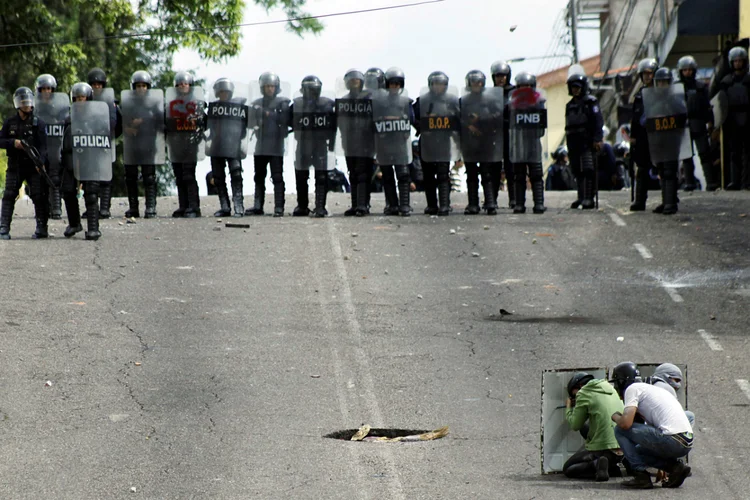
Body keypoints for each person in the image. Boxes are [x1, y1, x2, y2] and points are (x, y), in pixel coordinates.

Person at [610, 362, 693, 489]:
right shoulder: (650, 390)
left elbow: (626, 424)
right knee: (638, 452)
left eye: (616, 383)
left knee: (619, 430)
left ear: (622, 381)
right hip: (685, 442)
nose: (616, 388)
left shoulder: (632, 389)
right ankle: (676, 468)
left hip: (672, 439)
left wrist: (615, 416)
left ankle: (640, 475)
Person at [61, 82, 111, 240]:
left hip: (91, 160)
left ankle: (93, 228)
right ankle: (75, 223)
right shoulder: (68, 119)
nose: (79, 101)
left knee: (91, 194)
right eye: (76, 98)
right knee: (68, 191)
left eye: (82, 98)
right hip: (71, 160)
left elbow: (103, 141)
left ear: (88, 98)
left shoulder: (97, 118)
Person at [0, 87, 49, 239]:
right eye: (24, 102)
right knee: (9, 195)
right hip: (15, 165)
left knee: (38, 196)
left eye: (29, 102)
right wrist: (13, 143)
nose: (27, 105)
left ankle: (42, 228)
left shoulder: (38, 123)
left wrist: (40, 162)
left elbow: (43, 147)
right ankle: (4, 228)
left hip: (33, 166)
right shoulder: (10, 123)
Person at [563, 372, 625, 481]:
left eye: (574, 395)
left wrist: (569, 407)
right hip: (622, 448)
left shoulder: (583, 393)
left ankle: (596, 464)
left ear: (580, 386)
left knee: (568, 469)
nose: (575, 398)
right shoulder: (610, 389)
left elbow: (575, 425)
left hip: (604, 449)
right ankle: (611, 468)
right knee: (585, 428)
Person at [415, 71, 460, 216]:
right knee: (428, 175)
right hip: (427, 141)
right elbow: (412, 117)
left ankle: (445, 205)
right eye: (435, 84)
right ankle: (432, 205)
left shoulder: (452, 101)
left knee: (442, 174)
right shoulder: (422, 101)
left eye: (441, 84)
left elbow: (459, 119)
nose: (438, 87)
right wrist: (422, 126)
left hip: (444, 142)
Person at [290, 75, 336, 217]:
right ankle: (302, 205)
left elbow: (334, 125)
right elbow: (286, 120)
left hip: (320, 144)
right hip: (303, 144)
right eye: (308, 89)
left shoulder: (327, 105)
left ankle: (320, 206)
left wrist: (332, 145)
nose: (311, 92)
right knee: (301, 175)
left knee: (321, 176)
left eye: (313, 89)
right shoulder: (297, 104)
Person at [121, 70, 164, 218]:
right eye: (138, 86)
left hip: (148, 145)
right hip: (131, 145)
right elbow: (120, 123)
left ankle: (150, 206)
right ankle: (133, 207)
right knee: (130, 176)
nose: (141, 89)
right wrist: (128, 127)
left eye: (144, 86)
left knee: (149, 177)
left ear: (148, 87)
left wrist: (145, 120)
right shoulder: (127, 104)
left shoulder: (154, 104)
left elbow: (161, 125)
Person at [247, 72, 291, 217]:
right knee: (259, 176)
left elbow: (285, 121)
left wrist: (268, 113)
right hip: (260, 144)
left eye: (272, 86)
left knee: (277, 177)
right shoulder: (256, 104)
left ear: (276, 87)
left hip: (276, 144)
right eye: (266, 86)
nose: (269, 89)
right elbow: (250, 124)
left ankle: (279, 207)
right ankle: (258, 205)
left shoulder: (283, 103)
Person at [371, 68, 414, 216]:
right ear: (387, 84)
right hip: (384, 143)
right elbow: (373, 120)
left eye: (398, 84)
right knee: (388, 176)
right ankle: (392, 205)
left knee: (403, 174)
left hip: (400, 143)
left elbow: (412, 119)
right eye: (392, 83)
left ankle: (405, 205)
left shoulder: (405, 101)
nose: (395, 86)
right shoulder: (379, 102)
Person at [460, 70, 502, 215]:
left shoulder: (490, 100)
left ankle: (490, 202)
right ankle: (473, 204)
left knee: (487, 174)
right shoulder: (463, 101)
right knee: (471, 175)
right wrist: (468, 125)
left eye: (479, 82)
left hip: (486, 141)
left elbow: (498, 116)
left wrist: (482, 119)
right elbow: (458, 118)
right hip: (469, 142)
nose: (476, 85)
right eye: (473, 82)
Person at [206, 78, 248, 217]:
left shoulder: (238, 107)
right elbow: (208, 127)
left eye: (226, 91)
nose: (224, 94)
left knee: (236, 174)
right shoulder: (213, 108)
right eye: (222, 91)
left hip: (233, 145)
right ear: (218, 93)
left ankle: (238, 205)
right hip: (217, 144)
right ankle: (225, 206)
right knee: (218, 177)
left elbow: (243, 130)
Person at [165, 71, 204, 218]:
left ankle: (194, 206)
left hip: (190, 143)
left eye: (185, 84)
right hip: (176, 143)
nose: (182, 86)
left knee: (188, 175)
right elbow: (165, 122)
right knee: (179, 175)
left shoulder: (197, 104)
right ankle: (183, 205)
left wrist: (197, 139)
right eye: (179, 84)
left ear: (190, 86)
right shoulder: (170, 105)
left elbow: (202, 123)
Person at [336, 69, 374, 217]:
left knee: (364, 174)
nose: (354, 83)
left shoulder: (369, 99)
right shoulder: (343, 101)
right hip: (349, 142)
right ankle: (354, 205)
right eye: (352, 81)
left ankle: (363, 205)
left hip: (366, 141)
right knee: (353, 174)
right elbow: (339, 121)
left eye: (357, 81)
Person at [508, 72, 546, 214]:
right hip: (518, 143)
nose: (524, 89)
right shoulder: (512, 103)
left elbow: (542, 125)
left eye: (527, 86)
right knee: (519, 176)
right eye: (521, 86)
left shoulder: (539, 101)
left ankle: (539, 203)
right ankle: (519, 204)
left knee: (536, 175)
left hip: (534, 143)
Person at [677, 55, 716, 191]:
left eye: (690, 69)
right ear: (680, 71)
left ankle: (711, 182)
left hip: (698, 122)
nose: (688, 72)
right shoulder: (676, 89)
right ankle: (689, 182)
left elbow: (707, 105)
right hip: (683, 125)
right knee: (687, 156)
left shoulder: (700, 87)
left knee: (705, 153)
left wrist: (710, 122)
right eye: (685, 70)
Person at [565, 72, 604, 208]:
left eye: (577, 87)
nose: (575, 89)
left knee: (588, 169)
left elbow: (598, 121)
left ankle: (589, 198)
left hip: (587, 142)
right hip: (573, 142)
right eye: (572, 87)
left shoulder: (590, 102)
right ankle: (581, 197)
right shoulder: (569, 105)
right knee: (577, 170)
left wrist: (597, 139)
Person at [34, 74, 68, 220]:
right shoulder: (34, 107)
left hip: (55, 145)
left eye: (49, 89)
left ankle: (57, 208)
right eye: (43, 89)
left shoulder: (60, 107)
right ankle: (44, 209)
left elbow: (67, 121)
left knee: (54, 177)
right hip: (40, 147)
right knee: (40, 179)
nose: (47, 92)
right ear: (39, 90)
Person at [87, 67, 120, 218]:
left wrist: (104, 133)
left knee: (105, 176)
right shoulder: (85, 99)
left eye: (99, 84)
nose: (97, 87)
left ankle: (105, 208)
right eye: (94, 84)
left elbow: (114, 122)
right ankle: (91, 208)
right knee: (90, 176)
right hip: (88, 142)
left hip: (105, 141)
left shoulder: (110, 102)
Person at [718, 46, 750, 190]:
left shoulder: (748, 79)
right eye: (735, 61)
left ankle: (747, 182)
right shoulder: (726, 81)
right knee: (734, 152)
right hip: (732, 119)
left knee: (748, 152)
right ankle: (734, 181)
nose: (738, 63)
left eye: (740, 60)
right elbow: (721, 103)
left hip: (748, 117)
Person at [630, 59, 658, 210]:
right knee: (641, 168)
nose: (647, 77)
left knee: (663, 167)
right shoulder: (639, 95)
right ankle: (640, 201)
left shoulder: (661, 91)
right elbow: (635, 117)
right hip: (643, 135)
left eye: (650, 73)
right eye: (644, 74)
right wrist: (633, 137)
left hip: (659, 132)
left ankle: (669, 199)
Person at [490, 61, 515, 209]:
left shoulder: (514, 93)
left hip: (510, 134)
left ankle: (513, 199)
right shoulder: (490, 94)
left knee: (511, 168)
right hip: (494, 135)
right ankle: (492, 199)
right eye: (497, 76)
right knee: (494, 169)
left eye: (503, 76)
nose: (500, 79)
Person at [645, 363, 695, 427]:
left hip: (651, 424)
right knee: (690, 415)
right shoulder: (667, 387)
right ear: (667, 376)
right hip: (663, 425)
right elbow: (678, 412)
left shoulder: (649, 386)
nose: (678, 385)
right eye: (676, 380)